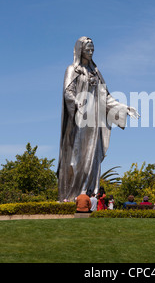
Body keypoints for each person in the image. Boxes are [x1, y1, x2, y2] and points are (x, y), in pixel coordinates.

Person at [57, 36, 140, 202]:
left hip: (94, 122)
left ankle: (90, 193)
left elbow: (106, 98)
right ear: (80, 50)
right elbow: (68, 92)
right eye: (88, 49)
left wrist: (125, 108)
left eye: (92, 49)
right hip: (79, 121)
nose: (90, 52)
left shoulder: (96, 72)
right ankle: (75, 193)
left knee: (92, 158)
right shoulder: (72, 70)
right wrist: (77, 101)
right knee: (78, 158)